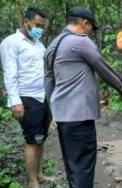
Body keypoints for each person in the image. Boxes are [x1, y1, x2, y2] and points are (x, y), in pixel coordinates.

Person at [44, 7, 122, 188]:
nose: (91, 32)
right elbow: (103, 67)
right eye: (91, 27)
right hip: (79, 116)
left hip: (63, 117)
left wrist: (54, 110)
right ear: (84, 23)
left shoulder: (53, 45)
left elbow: (48, 81)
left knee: (72, 164)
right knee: (83, 166)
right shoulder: (81, 42)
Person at [0, 7, 48, 188]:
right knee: (32, 140)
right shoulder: (11, 43)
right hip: (26, 97)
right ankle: (32, 181)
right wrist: (15, 102)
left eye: (42, 26)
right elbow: (9, 74)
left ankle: (40, 173)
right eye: (37, 25)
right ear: (25, 22)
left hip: (42, 96)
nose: (40, 29)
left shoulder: (38, 43)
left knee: (41, 138)